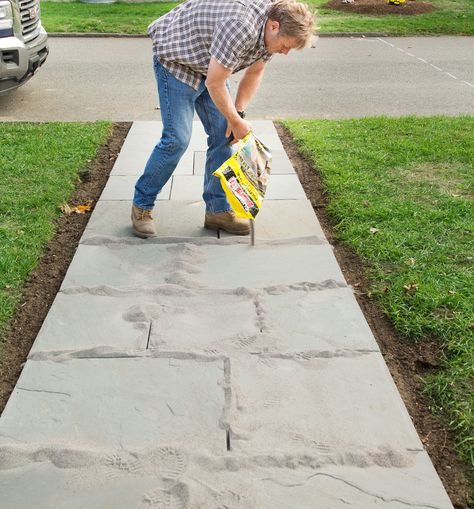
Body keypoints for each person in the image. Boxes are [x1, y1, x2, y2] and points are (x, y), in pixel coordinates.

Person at [131, 0, 314, 238]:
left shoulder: (270, 35)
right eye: (285, 46)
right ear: (274, 26)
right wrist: (236, 122)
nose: (285, 52)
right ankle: (142, 206)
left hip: (210, 66)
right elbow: (215, 83)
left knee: (224, 137)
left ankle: (217, 211)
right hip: (176, 61)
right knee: (177, 140)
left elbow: (255, 71)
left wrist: (236, 115)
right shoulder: (240, 27)